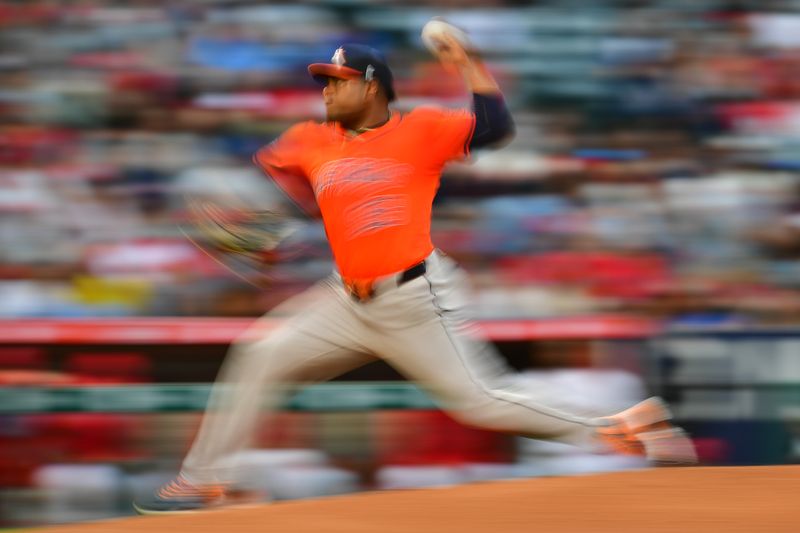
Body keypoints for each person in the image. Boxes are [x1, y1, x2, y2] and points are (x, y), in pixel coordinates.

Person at [133, 34, 696, 515]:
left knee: (477, 401)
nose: (327, 89)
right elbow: (281, 204)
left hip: (414, 296)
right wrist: (259, 238)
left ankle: (621, 424)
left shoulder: (420, 129)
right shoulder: (309, 140)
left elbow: (495, 128)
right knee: (259, 358)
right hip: (343, 300)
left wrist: (467, 63)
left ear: (371, 86)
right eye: (323, 80)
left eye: (339, 79)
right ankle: (205, 479)